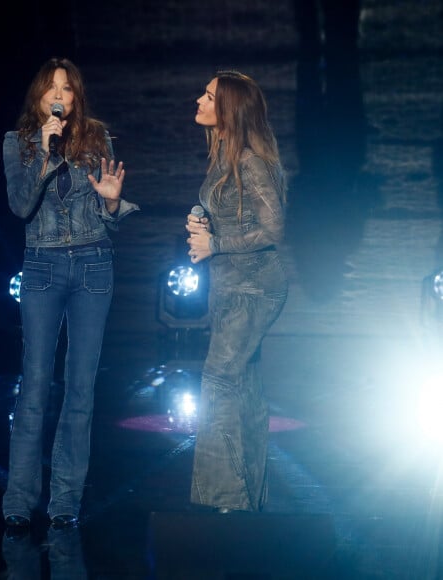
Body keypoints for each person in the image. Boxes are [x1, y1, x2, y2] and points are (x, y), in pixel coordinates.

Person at [2, 57, 139, 532]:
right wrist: (43, 152)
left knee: (80, 389)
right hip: (41, 266)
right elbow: (20, 206)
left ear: (77, 98)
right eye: (51, 89)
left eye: (67, 89)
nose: (59, 97)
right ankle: (19, 499)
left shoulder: (97, 139)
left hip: (93, 266)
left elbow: (110, 219)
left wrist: (112, 201)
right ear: (38, 96)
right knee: (35, 386)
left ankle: (65, 502)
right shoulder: (17, 144)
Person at [185, 70, 288, 513]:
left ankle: (224, 503)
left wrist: (217, 243)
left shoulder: (248, 161)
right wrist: (200, 219)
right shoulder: (226, 159)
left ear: (227, 110)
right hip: (229, 288)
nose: (199, 99)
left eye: (208, 96)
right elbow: (228, 210)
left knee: (218, 384)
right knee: (241, 386)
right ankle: (246, 501)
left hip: (252, 289)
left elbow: (273, 228)